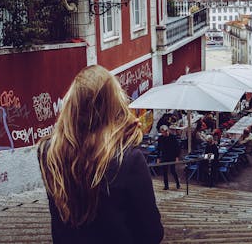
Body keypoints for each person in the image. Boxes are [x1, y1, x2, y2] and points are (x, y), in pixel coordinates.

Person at [37, 65, 164, 244]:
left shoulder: (48, 152)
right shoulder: (129, 159)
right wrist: (126, 141)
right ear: (114, 104)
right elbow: (152, 233)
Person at [157, 124, 181, 190]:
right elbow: (158, 148)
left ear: (166, 131)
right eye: (161, 132)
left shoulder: (173, 137)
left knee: (173, 171)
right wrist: (158, 158)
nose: (162, 133)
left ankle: (178, 183)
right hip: (164, 156)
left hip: (172, 156)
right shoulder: (161, 138)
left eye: (163, 132)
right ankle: (166, 186)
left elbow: (177, 148)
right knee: (164, 171)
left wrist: (177, 157)